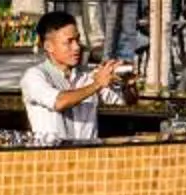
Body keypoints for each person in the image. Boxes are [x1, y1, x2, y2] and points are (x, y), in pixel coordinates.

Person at [20, 11, 126, 143]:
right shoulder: (34, 76)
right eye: (68, 42)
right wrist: (97, 84)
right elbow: (59, 102)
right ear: (49, 46)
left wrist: (128, 82)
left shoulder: (88, 76)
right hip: (52, 158)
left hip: (88, 157)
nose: (76, 47)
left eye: (77, 40)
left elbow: (124, 101)